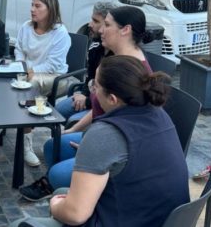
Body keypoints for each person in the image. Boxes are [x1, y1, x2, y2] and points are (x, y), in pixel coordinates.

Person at [11, 55, 189, 227]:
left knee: (18, 223)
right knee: (60, 192)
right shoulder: (159, 113)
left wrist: (55, 207)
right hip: (159, 218)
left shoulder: (105, 134)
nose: (92, 91)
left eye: (95, 86)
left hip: (125, 219)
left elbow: (75, 214)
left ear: (112, 99)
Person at [19, 5, 155, 201]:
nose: (100, 29)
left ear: (125, 30)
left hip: (117, 147)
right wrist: (74, 131)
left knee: (57, 170)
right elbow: (100, 110)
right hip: (100, 134)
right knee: (51, 146)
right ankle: (70, 189)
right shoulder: (115, 60)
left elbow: (123, 131)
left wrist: (90, 144)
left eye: (106, 24)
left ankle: (76, 193)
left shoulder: (130, 73)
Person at [0, 0, 71, 167]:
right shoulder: (26, 27)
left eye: (37, 6)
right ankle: (3, 120)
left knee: (27, 87)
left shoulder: (60, 33)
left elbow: (54, 64)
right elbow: (19, 49)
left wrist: (30, 71)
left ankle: (26, 147)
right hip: (28, 73)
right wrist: (20, 66)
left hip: (54, 77)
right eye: (32, 5)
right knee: (4, 78)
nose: (32, 9)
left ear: (50, 8)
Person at [53, 2, 116, 122]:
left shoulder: (118, 55)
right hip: (89, 96)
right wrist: (83, 94)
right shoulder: (95, 47)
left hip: (103, 107)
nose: (90, 24)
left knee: (73, 120)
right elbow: (90, 79)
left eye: (96, 21)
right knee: (57, 111)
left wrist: (86, 100)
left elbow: (110, 97)